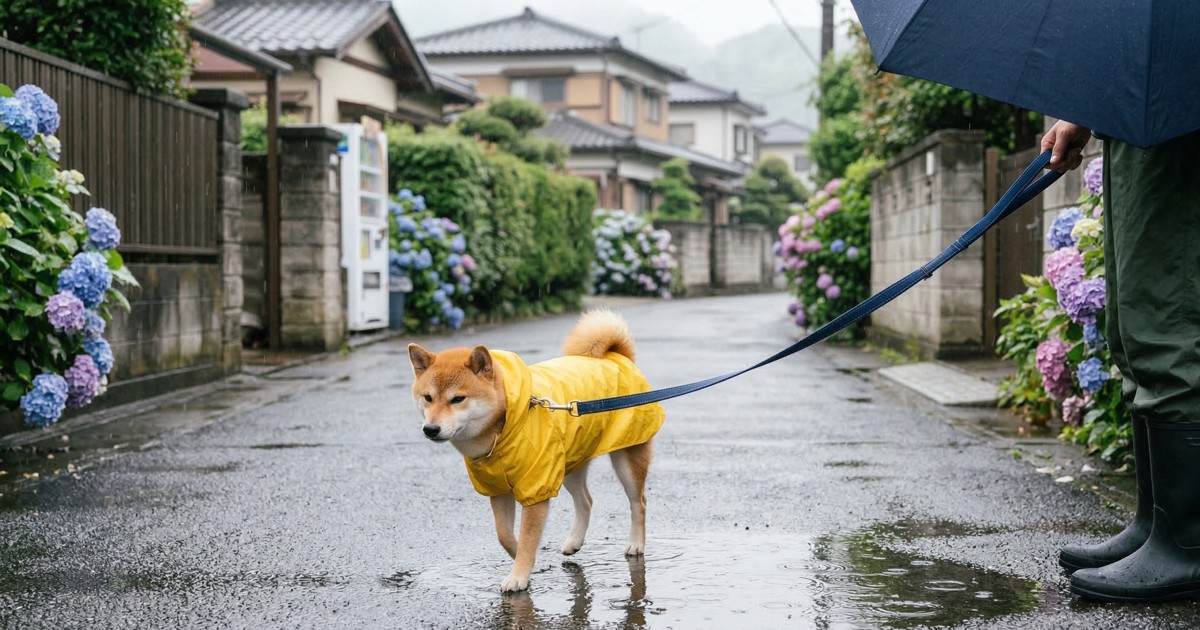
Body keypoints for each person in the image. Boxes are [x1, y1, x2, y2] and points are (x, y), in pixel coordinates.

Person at [1041, 120, 1200, 603]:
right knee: (1130, 328)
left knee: (1164, 319)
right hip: (1141, 126)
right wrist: (1088, 115)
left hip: (1179, 124)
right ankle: (1155, 524)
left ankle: (1186, 545)